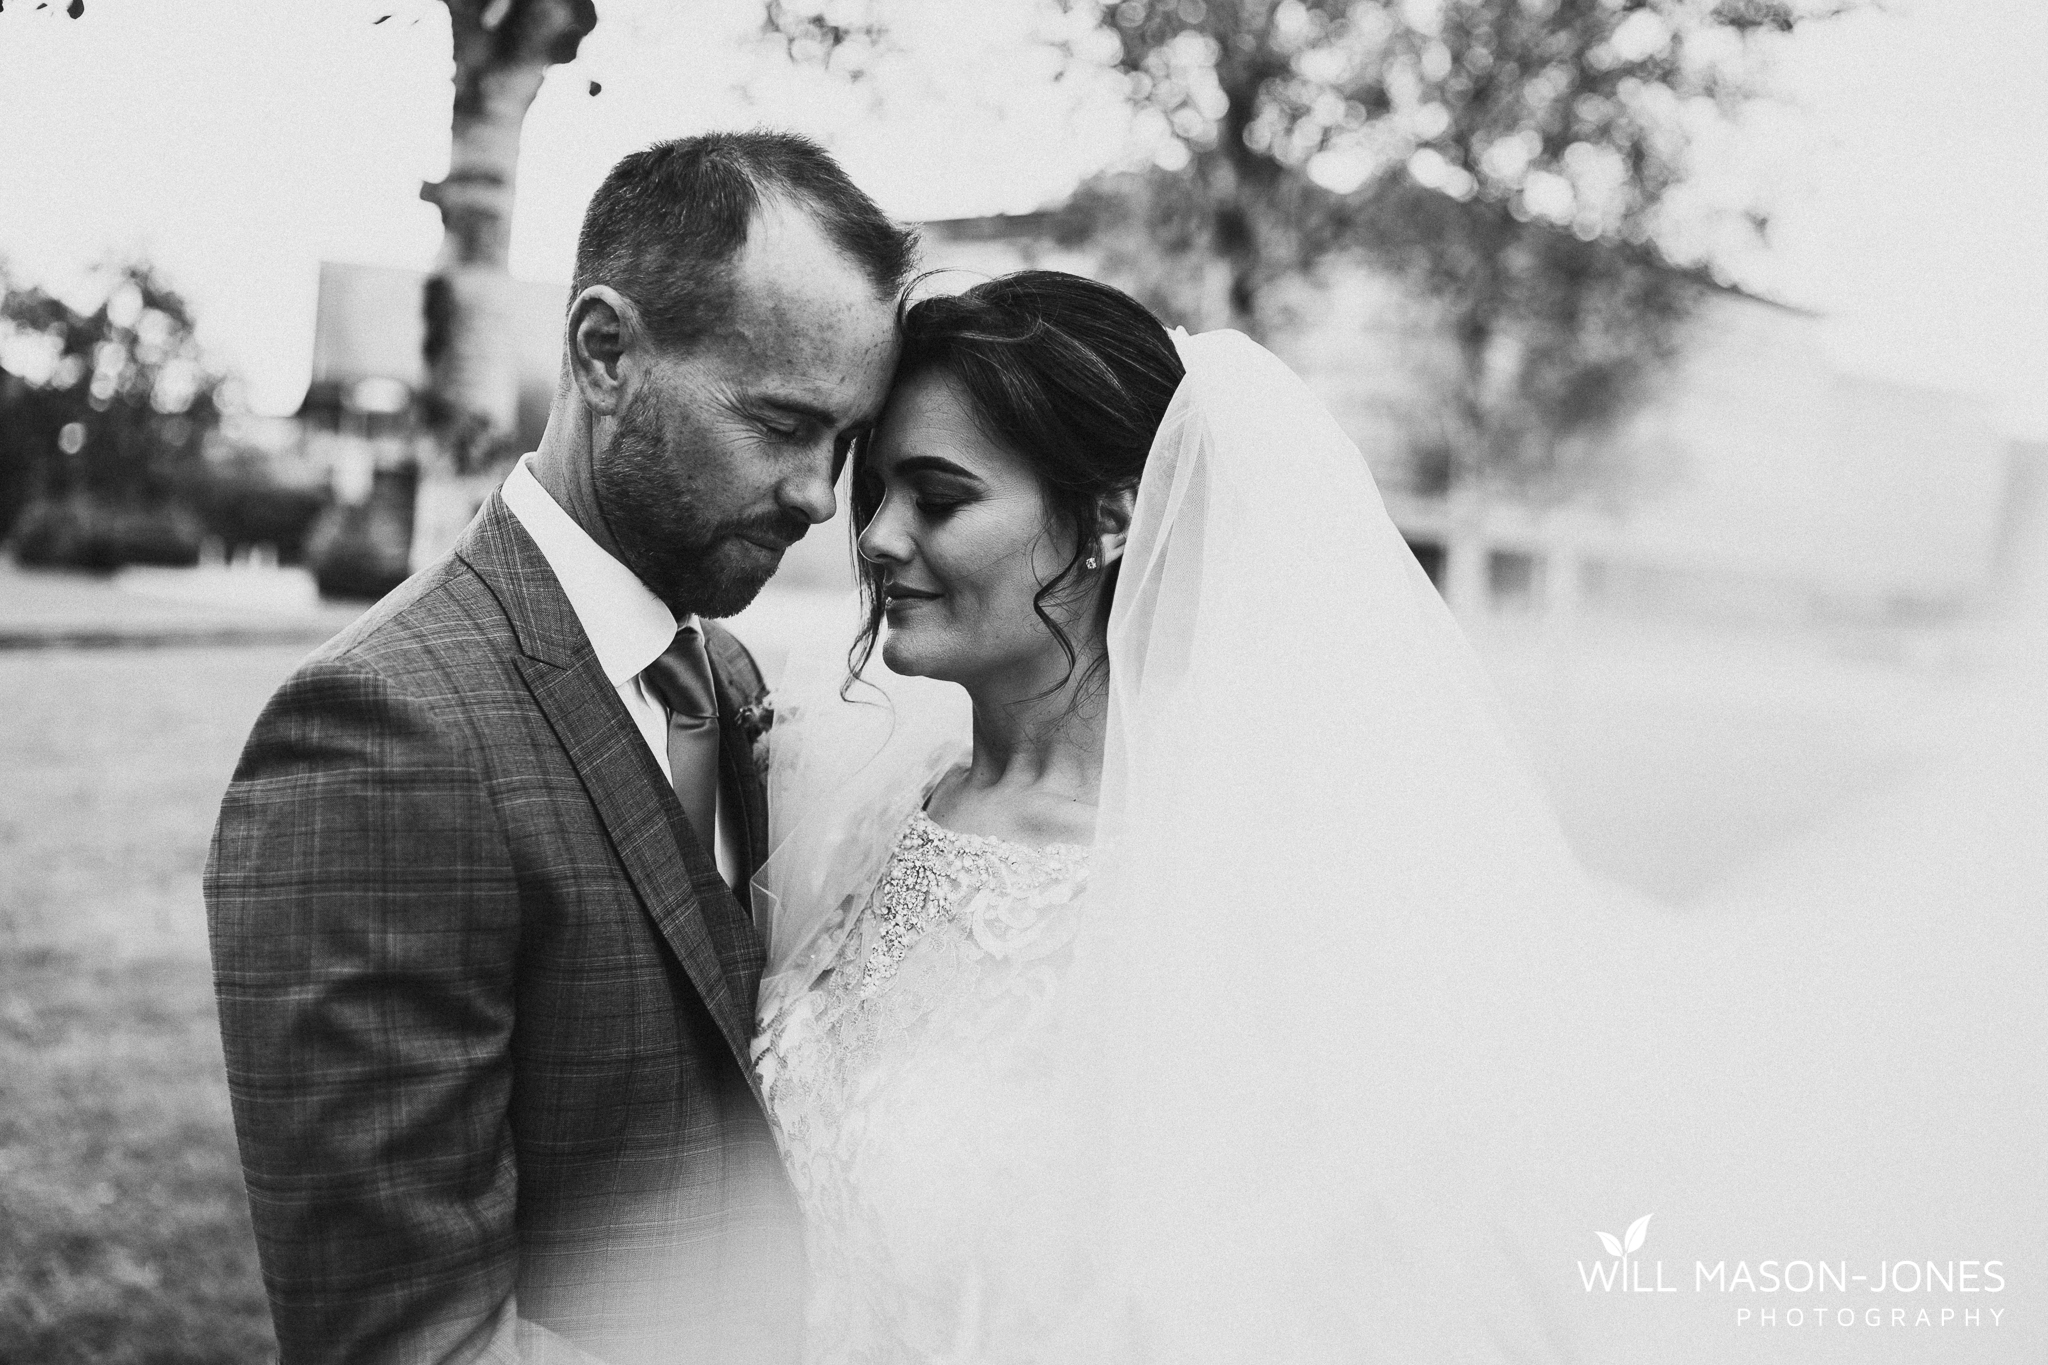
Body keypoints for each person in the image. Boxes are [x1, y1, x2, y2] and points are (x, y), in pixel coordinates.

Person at [749, 272, 1609, 1362]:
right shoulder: (869, 811)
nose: (872, 536)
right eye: (873, 492)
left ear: (1112, 517)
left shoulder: (1229, 900)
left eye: (937, 496)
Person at [206, 132, 914, 1365]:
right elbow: (407, 1341)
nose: (816, 498)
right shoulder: (382, 740)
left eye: (844, 444)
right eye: (781, 423)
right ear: (604, 351)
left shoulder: (725, 680)